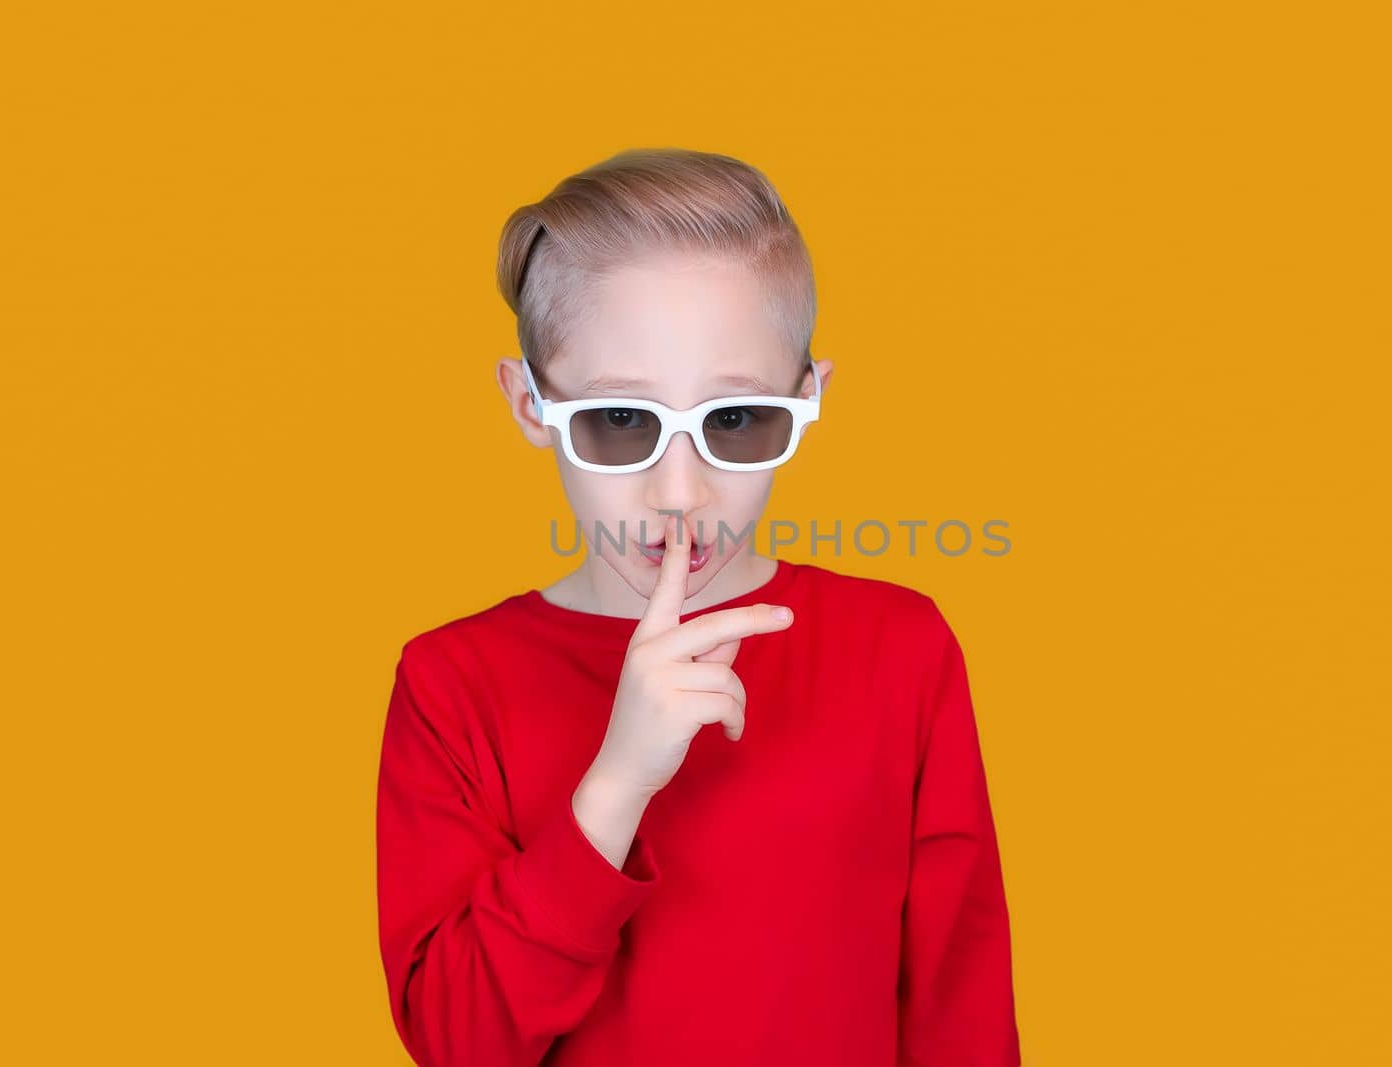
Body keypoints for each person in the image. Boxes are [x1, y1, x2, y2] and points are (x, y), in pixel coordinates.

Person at [374, 147, 1021, 1066]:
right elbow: (457, 1040)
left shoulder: (902, 648)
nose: (680, 493)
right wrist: (615, 785)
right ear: (529, 405)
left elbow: (963, 1007)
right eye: (622, 421)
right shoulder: (452, 684)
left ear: (808, 402)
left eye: (735, 420)